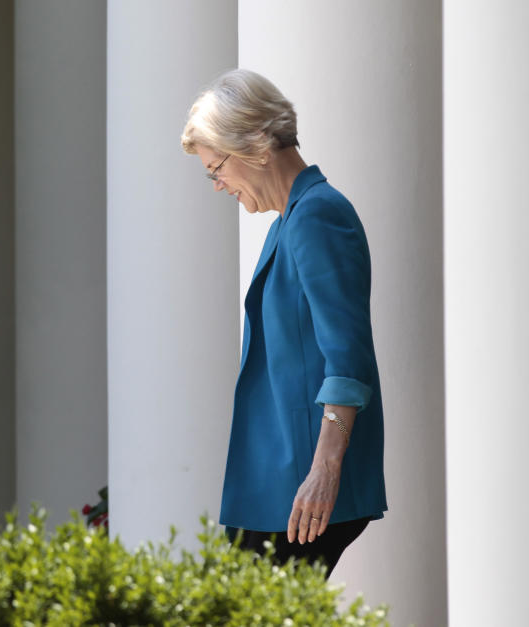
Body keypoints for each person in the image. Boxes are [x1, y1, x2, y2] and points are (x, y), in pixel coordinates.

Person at [180, 70, 386, 576]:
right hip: (277, 486)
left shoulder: (317, 216)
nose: (217, 185)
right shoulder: (288, 222)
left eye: (216, 169)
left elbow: (348, 356)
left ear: (253, 144)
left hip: (301, 488)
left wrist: (325, 468)